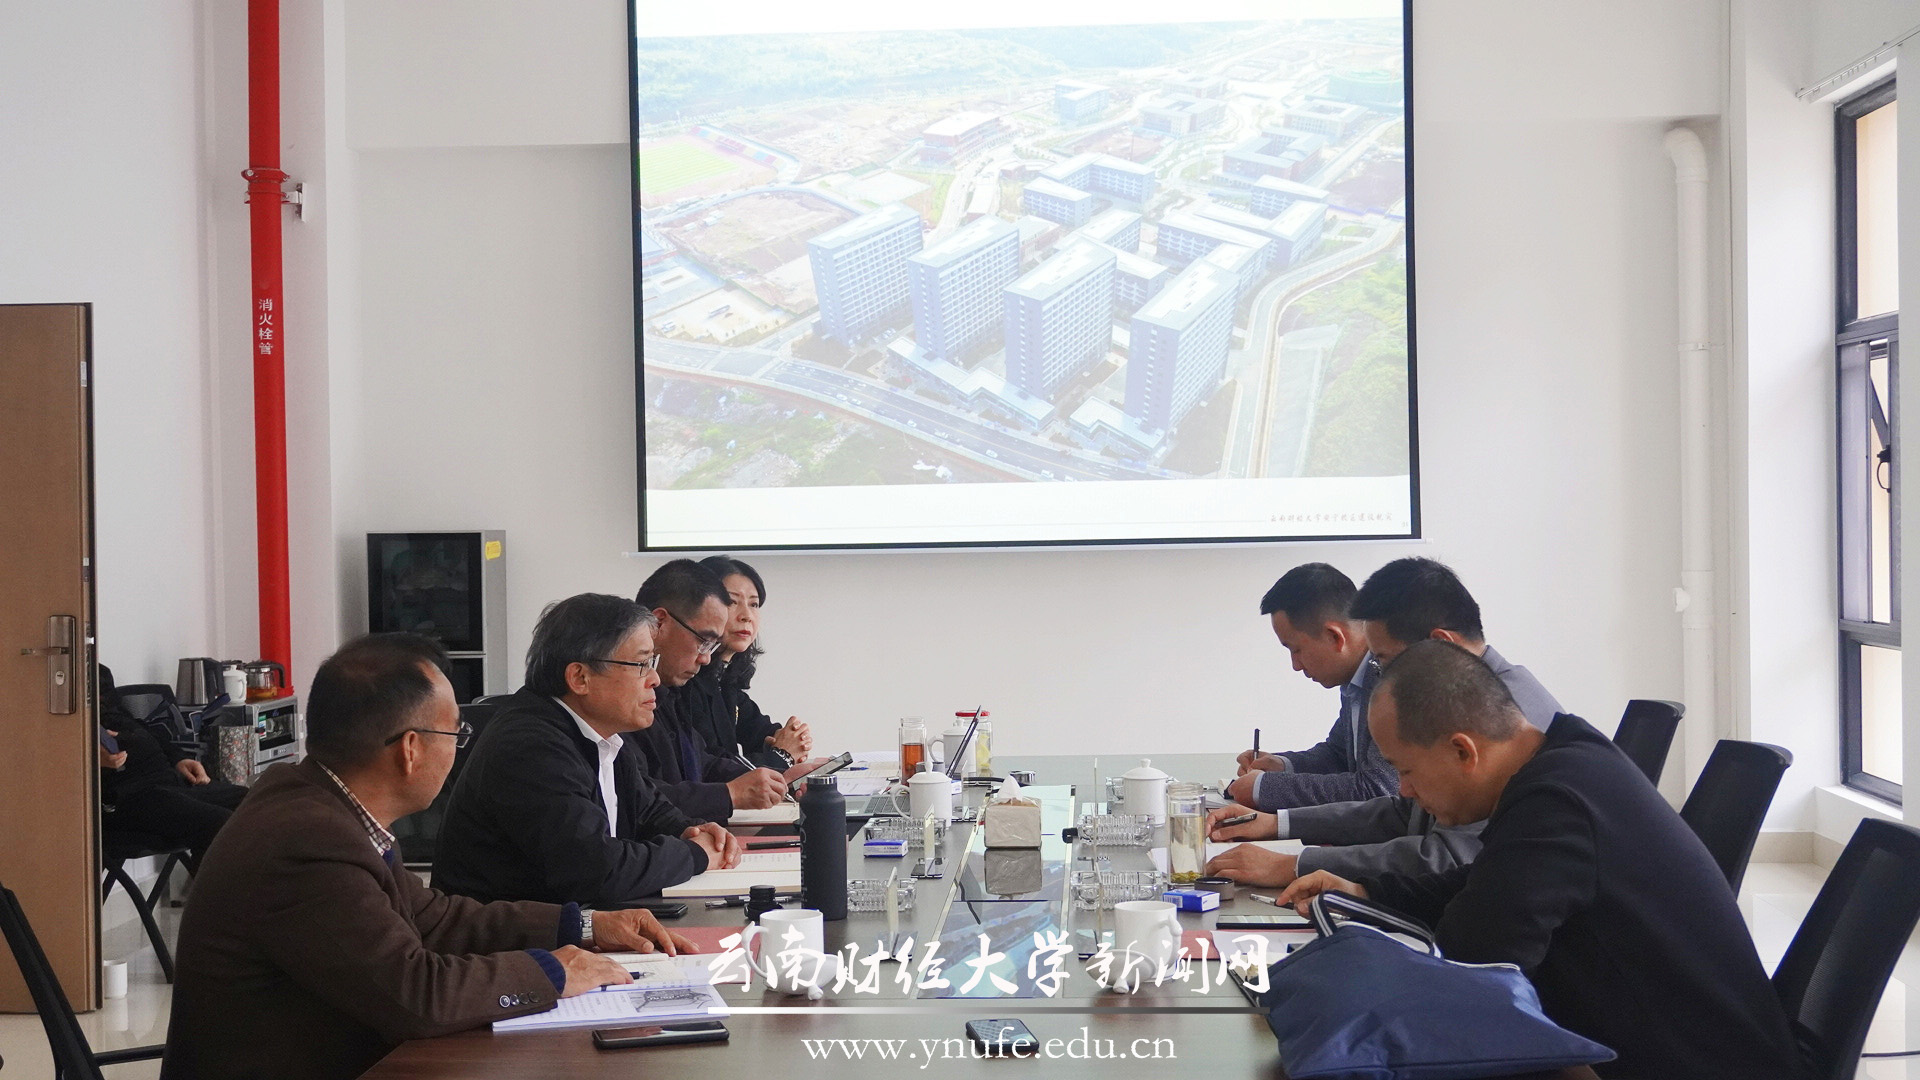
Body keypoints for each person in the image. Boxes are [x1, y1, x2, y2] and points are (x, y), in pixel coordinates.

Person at [161, 633, 694, 1080]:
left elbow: (432, 917)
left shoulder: (326, 803)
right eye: (455, 733)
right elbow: (416, 995)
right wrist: (552, 972)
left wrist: (584, 927)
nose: (458, 747)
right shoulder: (306, 841)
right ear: (411, 748)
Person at [1275, 641, 1807, 1080]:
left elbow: (1473, 968)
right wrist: (1365, 892)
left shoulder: (1557, 803)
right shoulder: (1565, 759)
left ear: (1463, 750)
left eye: (1406, 770)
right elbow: (1485, 886)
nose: (1405, 791)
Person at [1211, 557, 1561, 887]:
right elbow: (1406, 812)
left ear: (1440, 645)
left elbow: (1448, 856)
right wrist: (1279, 824)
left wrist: (1294, 865)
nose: (1379, 676)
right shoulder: (1464, 694)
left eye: (1383, 661)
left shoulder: (1503, 712)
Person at [432, 593, 741, 906]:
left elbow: (650, 810)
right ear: (580, 677)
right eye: (641, 664)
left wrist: (692, 830)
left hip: (574, 922)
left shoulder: (601, 734)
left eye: (653, 663)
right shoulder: (530, 746)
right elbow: (597, 872)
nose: (654, 679)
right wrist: (695, 853)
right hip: (509, 933)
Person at [1223, 564, 1393, 812]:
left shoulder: (1390, 680)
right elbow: (1338, 755)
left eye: (1296, 649)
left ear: (1335, 637)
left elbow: (1377, 790)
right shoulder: (1356, 678)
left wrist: (1264, 788)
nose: (1295, 665)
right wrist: (1283, 766)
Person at [631, 559, 789, 821]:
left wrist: (780, 777)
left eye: (754, 604)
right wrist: (731, 793)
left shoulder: (671, 691)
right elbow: (639, 799)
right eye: (703, 641)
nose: (705, 658)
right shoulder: (629, 699)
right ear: (660, 622)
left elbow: (701, 761)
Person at [96, 664, 248, 868]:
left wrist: (179, 759)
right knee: (218, 822)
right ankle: (210, 889)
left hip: (169, 781)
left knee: (253, 802)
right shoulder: (64, 716)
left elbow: (145, 731)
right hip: (128, 797)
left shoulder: (103, 683)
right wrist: (90, 760)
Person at [680, 554, 812, 771]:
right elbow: (711, 768)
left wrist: (791, 739)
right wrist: (782, 755)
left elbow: (760, 732)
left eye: (754, 604)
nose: (747, 616)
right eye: (732, 602)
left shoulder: (725, 680)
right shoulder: (685, 683)